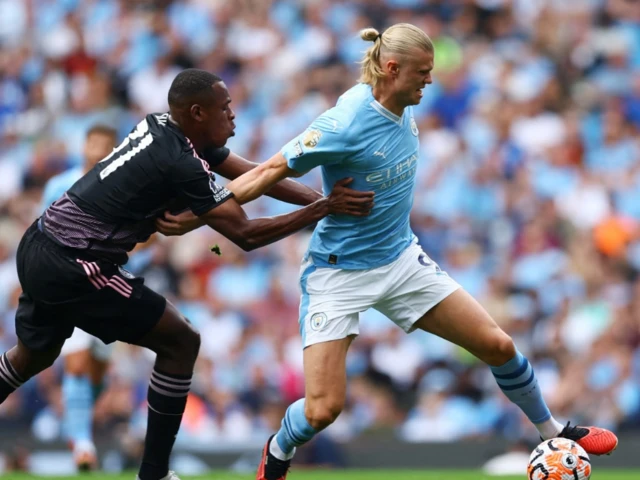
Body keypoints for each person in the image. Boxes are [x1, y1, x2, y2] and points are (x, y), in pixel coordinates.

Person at [205, 24, 618, 480]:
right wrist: (201, 210)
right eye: (422, 73)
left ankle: (553, 431)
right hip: (337, 273)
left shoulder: (404, 103)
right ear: (392, 68)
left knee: (498, 344)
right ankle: (279, 449)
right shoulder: (344, 123)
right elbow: (269, 170)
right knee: (323, 410)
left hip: (401, 259)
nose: (430, 81)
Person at [0, 68, 374, 480]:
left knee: (31, 356)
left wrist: (323, 200)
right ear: (197, 113)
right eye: (225, 108)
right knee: (181, 342)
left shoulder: (163, 127)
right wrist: (321, 210)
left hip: (40, 244)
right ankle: (155, 474)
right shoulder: (180, 161)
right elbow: (245, 234)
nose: (234, 116)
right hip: (74, 263)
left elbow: (257, 173)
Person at [39, 125, 118, 470]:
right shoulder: (59, 186)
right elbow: (40, 233)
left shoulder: (122, 188)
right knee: (77, 363)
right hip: (69, 285)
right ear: (83, 146)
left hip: (109, 285)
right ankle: (83, 446)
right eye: (93, 144)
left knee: (98, 371)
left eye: (104, 146)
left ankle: (77, 424)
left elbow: (145, 237)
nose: (96, 151)